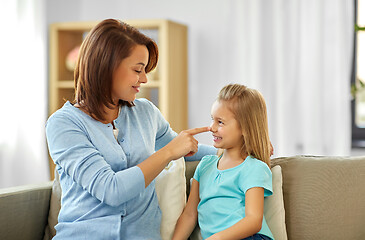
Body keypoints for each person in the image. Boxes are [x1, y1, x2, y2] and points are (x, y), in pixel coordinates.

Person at [45, 18, 216, 239]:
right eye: (138, 70)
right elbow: (110, 190)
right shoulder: (63, 124)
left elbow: (188, 149)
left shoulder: (145, 112)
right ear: (107, 67)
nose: (144, 79)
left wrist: (240, 149)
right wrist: (169, 152)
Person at [172, 84, 274, 240]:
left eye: (220, 122)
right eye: (212, 120)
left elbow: (253, 221)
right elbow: (190, 215)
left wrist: (217, 238)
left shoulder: (254, 168)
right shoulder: (205, 165)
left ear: (245, 128)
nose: (212, 128)